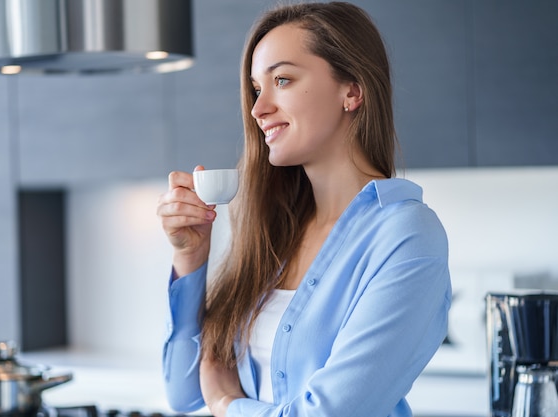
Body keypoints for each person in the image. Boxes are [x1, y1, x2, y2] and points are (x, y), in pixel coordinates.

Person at [156, 2, 451, 416]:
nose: (258, 109)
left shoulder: (407, 236)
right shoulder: (275, 231)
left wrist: (227, 405)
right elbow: (183, 390)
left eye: (282, 79)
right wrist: (190, 255)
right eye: (257, 89)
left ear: (352, 90)